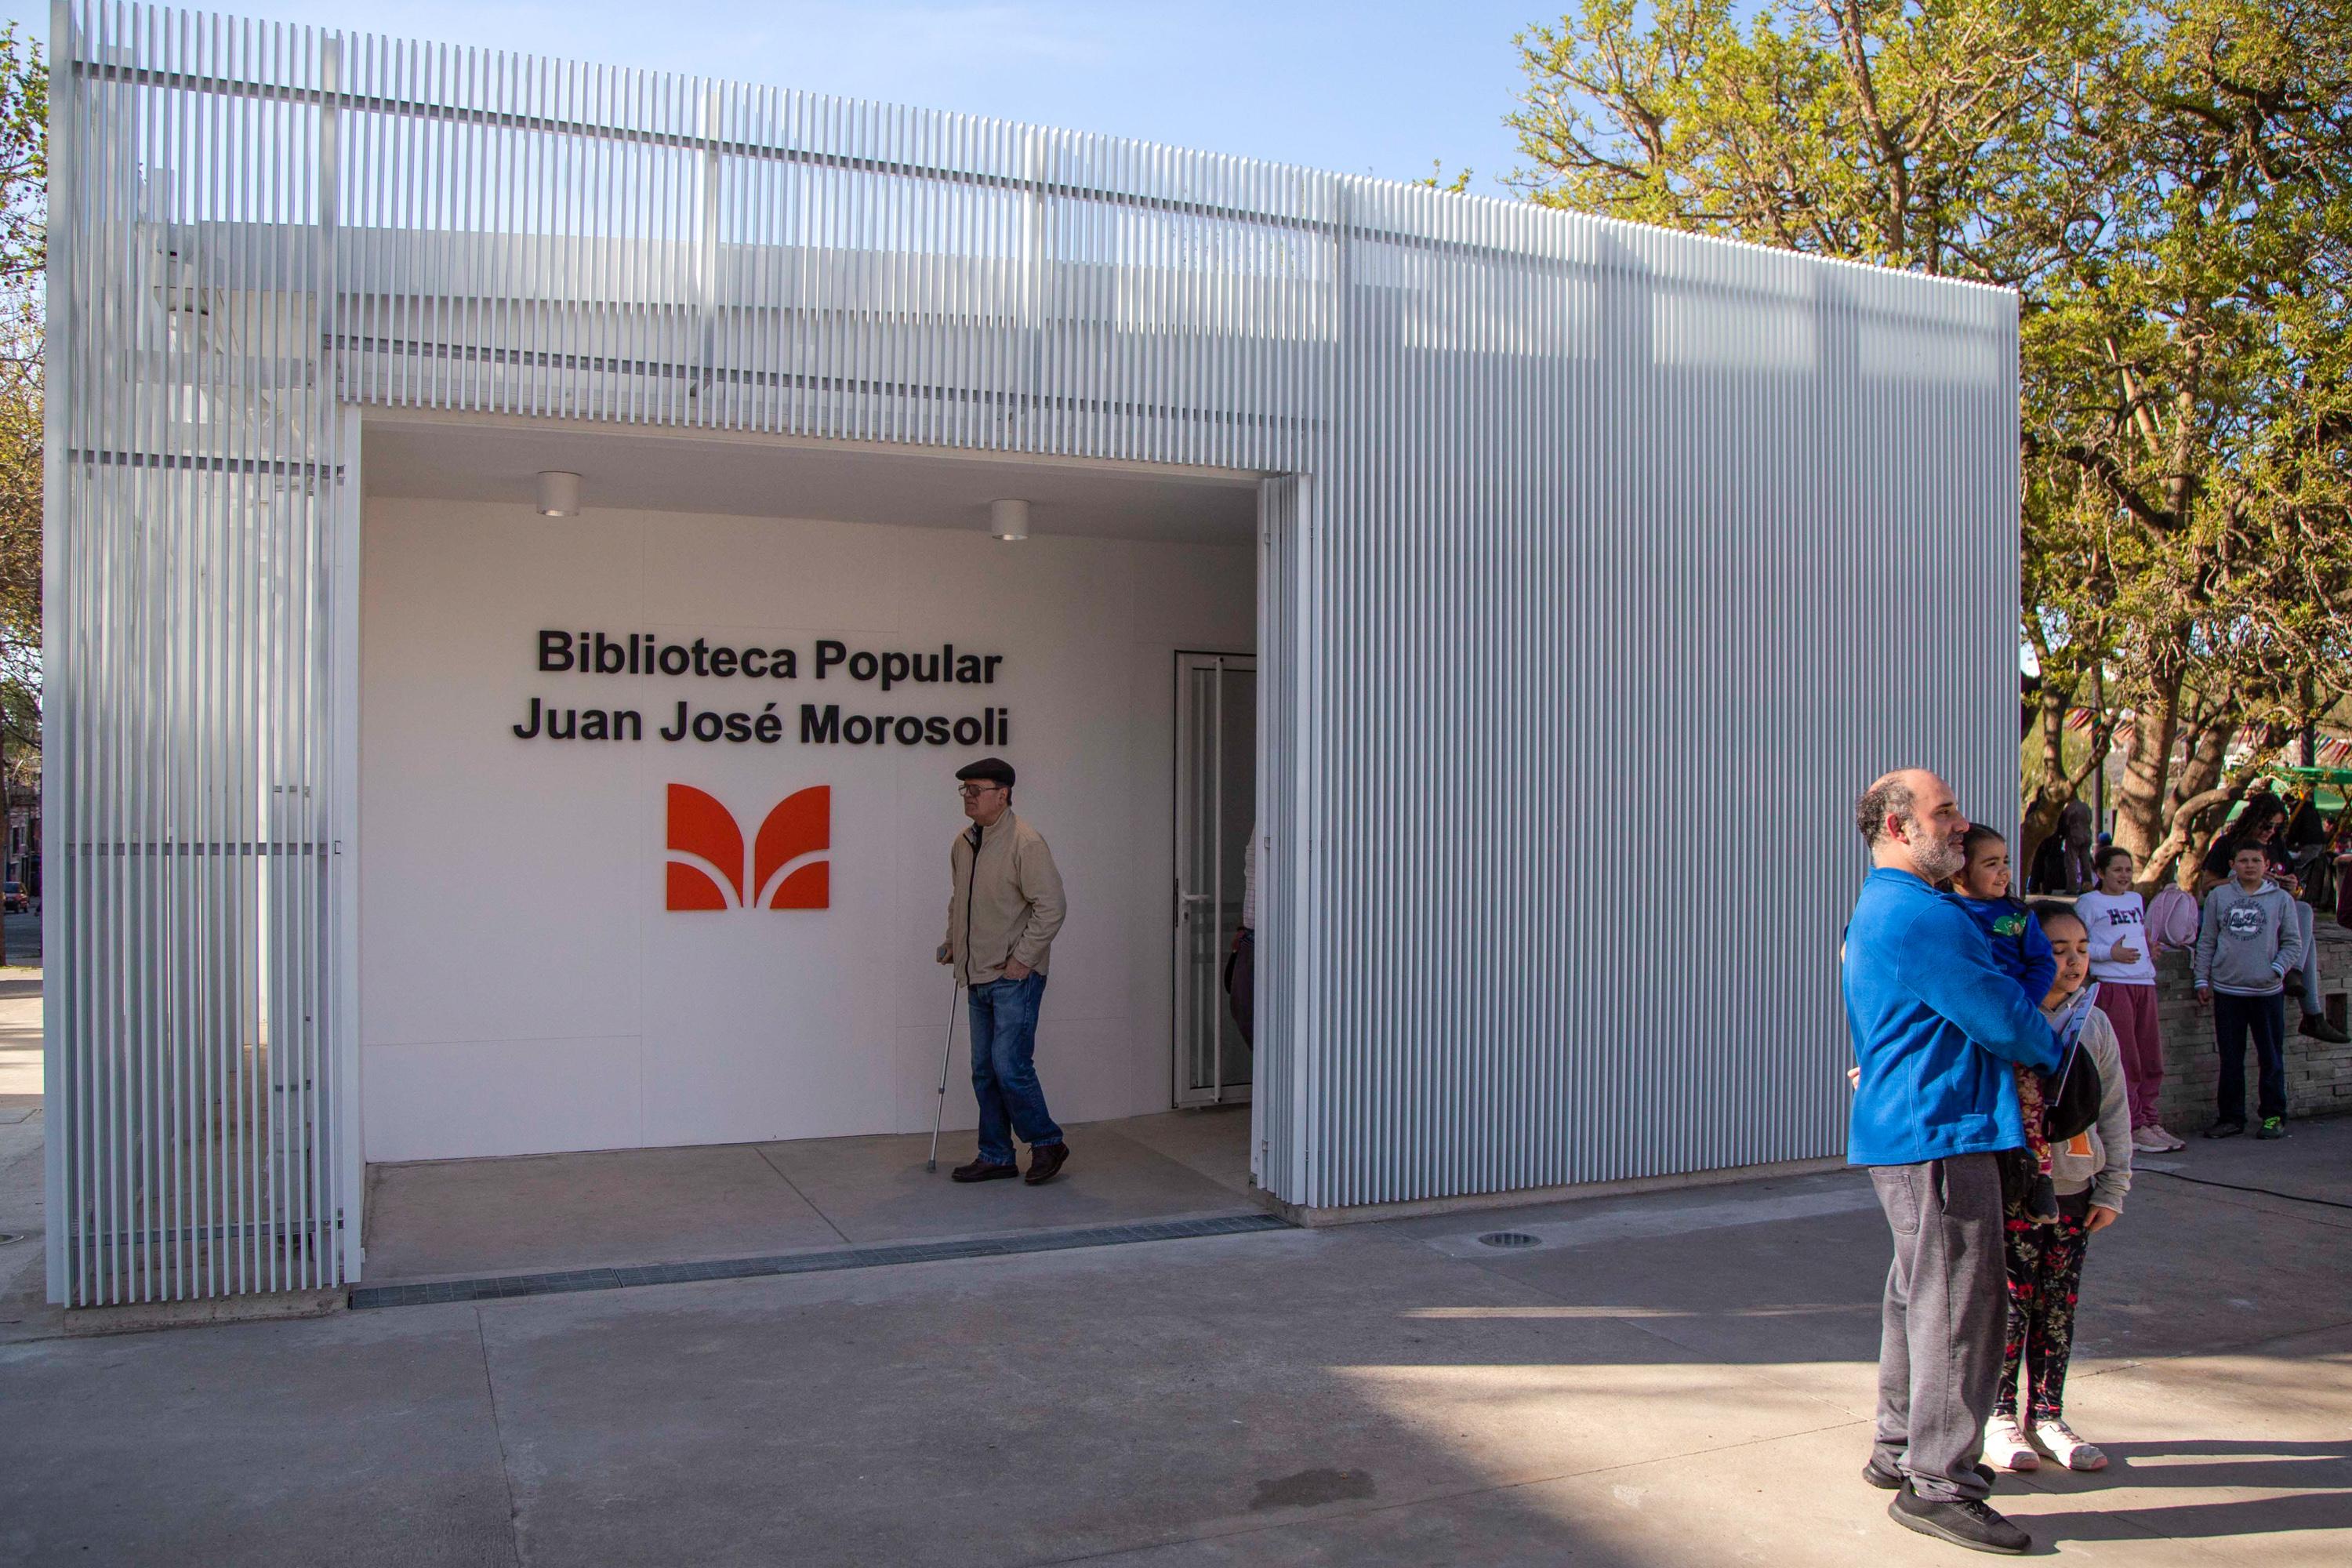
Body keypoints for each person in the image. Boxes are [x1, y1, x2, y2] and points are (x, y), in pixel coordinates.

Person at [1846, 769, 2062, 1556]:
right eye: (1946, 812)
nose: (1962, 826)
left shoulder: (1901, 907)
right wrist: (2056, 1053)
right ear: (1900, 827)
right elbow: (2002, 1013)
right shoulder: (1919, 915)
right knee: (1960, 1305)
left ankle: (1900, 1444)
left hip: (1920, 1126)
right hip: (1941, 1128)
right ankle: (1939, 1482)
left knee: (1920, 1291)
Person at [1981, 905, 2132, 1476]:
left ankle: (2048, 1416)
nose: (2073, 962)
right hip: (2014, 1188)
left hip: (2075, 1188)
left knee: (2058, 1306)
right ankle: (1999, 1416)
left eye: (2082, 949)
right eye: (2058, 948)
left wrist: (2112, 1186)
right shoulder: (2006, 1016)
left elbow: (2115, 1110)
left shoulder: (2094, 1022)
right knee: (2010, 1306)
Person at [936, 757, 1072, 1185]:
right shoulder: (964, 842)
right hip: (976, 973)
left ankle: (1046, 1141)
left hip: (1014, 977)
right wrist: (954, 942)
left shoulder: (1024, 843)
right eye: (965, 791)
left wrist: (1023, 960)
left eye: (976, 790)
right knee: (984, 1069)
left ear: (1004, 793)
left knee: (1009, 1064)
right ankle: (996, 1154)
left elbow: (1051, 907)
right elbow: (962, 900)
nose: (969, 798)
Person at [1947, 826, 2060, 1223]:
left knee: (2029, 1100)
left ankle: (2040, 1177)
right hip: (1969, 1032)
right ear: (1959, 872)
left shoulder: (2018, 917)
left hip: (2012, 1030)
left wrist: (2022, 1007)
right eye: (1991, 863)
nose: (2003, 872)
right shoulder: (1946, 912)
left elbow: (2044, 963)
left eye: (2006, 862)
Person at [2201, 797, 2347, 1044]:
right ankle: (2311, 1013)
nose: (2271, 832)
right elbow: (2207, 888)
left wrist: (2292, 886)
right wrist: (2244, 878)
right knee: (2306, 939)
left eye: (2277, 828)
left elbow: (2292, 895)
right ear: (2254, 819)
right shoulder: (2228, 845)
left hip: (2276, 915)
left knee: (2303, 911)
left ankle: (2296, 976)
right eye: (2268, 826)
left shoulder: (2276, 846)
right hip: (2244, 920)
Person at [2194, 840, 2306, 1141]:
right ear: (2233, 864)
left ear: (2266, 865)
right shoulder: (2219, 896)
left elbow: (2293, 942)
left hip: (2266, 992)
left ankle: (2273, 1115)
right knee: (2231, 1058)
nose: (2250, 866)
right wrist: (2201, 980)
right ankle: (2231, 1117)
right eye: (2243, 860)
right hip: (2229, 989)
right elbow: (2207, 941)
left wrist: (2276, 969)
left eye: (2256, 860)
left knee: (2270, 1056)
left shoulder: (2281, 899)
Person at [2074, 846, 2180, 1151]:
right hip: (2113, 985)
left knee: (2151, 1056)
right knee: (2127, 1058)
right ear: (2101, 873)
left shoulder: (2136, 900)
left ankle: (2149, 1119)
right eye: (2117, 869)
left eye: (2128, 870)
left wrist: (2150, 948)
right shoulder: (2089, 903)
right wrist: (2111, 953)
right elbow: (2079, 946)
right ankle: (2131, 1125)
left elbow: (2138, 934)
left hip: (2144, 982)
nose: (2124, 876)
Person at [1225, 826, 1257, 1047]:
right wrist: (1242, 926)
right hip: (1251, 934)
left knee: (1250, 1014)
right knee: (1242, 1008)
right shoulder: (1266, 816)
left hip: (1272, 936)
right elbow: (1253, 877)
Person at [2028, 800, 2094, 895]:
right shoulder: (2086, 807)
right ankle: (2087, 885)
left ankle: (2072, 888)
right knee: (2086, 862)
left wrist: (2062, 835)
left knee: (2071, 862)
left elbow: (2065, 823)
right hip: (2087, 835)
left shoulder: (2070, 808)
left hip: (2074, 835)